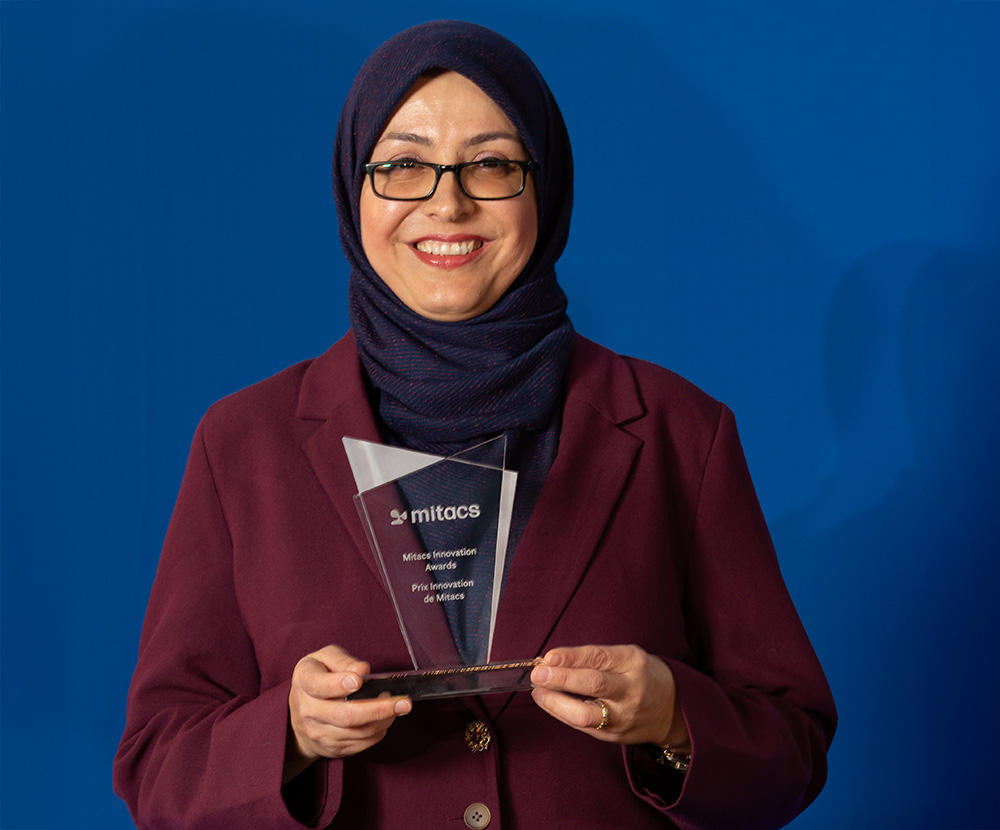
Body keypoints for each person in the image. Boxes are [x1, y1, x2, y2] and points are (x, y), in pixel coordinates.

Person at [114, 20, 836, 830]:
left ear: (546, 186)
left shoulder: (680, 433)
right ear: (355, 190)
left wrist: (672, 714)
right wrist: (289, 733)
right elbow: (157, 769)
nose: (446, 201)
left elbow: (793, 750)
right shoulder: (242, 445)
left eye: (490, 164)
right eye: (404, 166)